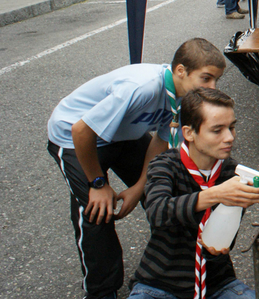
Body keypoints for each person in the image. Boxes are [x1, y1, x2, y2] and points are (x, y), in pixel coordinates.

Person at [47, 38, 227, 299]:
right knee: (98, 210)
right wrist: (97, 184)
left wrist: (140, 187)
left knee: (165, 188)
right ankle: (101, 290)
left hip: (123, 134)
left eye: (216, 81)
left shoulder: (183, 95)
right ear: (180, 71)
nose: (212, 87)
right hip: (74, 136)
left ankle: (175, 265)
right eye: (206, 78)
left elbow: (161, 141)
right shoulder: (141, 88)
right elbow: (81, 131)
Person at [128, 88, 259, 299]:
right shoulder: (165, 165)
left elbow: (220, 241)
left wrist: (234, 213)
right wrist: (216, 194)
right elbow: (157, 212)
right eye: (217, 130)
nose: (229, 137)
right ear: (189, 133)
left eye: (232, 127)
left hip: (216, 283)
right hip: (160, 284)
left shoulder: (232, 172)